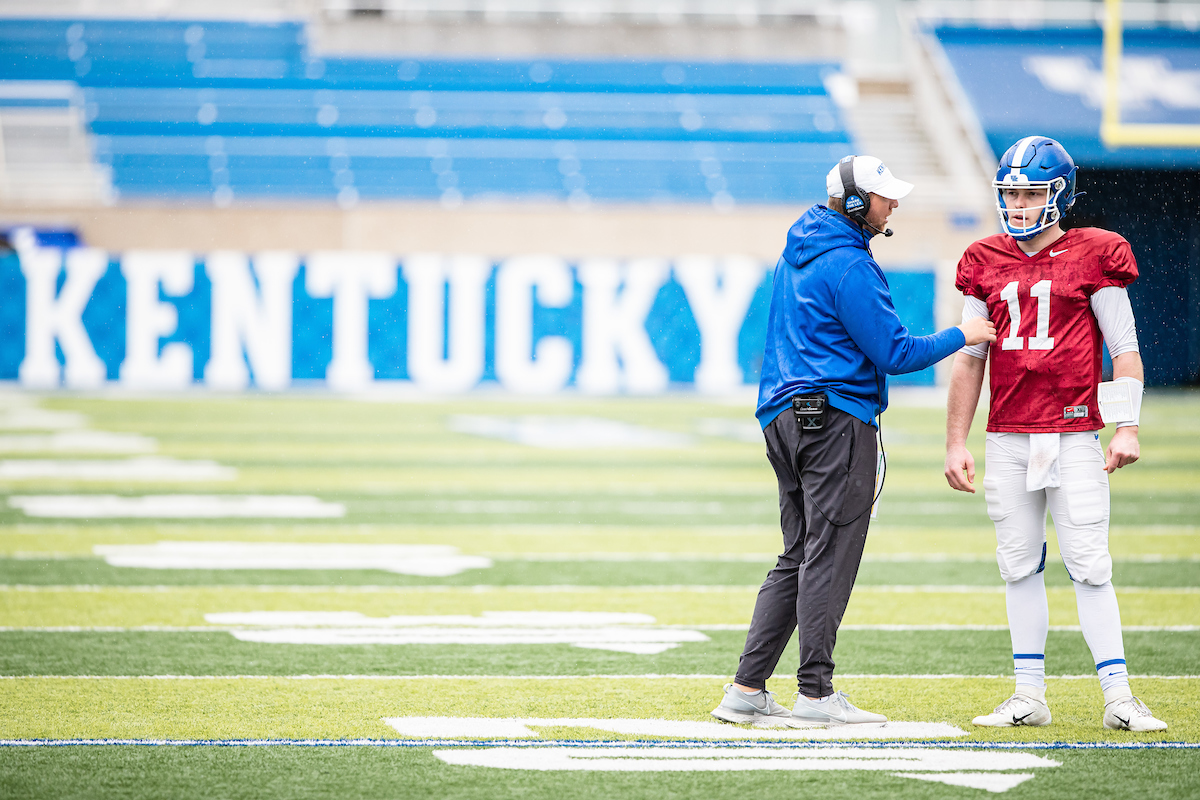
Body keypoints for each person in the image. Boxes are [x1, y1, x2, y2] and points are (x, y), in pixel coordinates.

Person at [711, 155, 996, 726]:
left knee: (796, 555)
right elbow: (895, 352)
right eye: (885, 196)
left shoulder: (799, 251)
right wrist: (962, 333)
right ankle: (815, 692)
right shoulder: (850, 265)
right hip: (834, 422)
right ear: (858, 203)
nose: (895, 205)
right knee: (829, 554)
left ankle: (747, 688)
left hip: (782, 417)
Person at [944, 135, 1166, 732]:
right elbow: (970, 359)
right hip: (1008, 435)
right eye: (1010, 193)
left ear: (1059, 195)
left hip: (1073, 435)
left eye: (1029, 192)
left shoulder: (1096, 253)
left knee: (1091, 564)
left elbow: (1124, 350)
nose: (1017, 205)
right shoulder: (982, 259)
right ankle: (1029, 695)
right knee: (1018, 564)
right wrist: (955, 440)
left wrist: (1127, 426)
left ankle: (1119, 696)